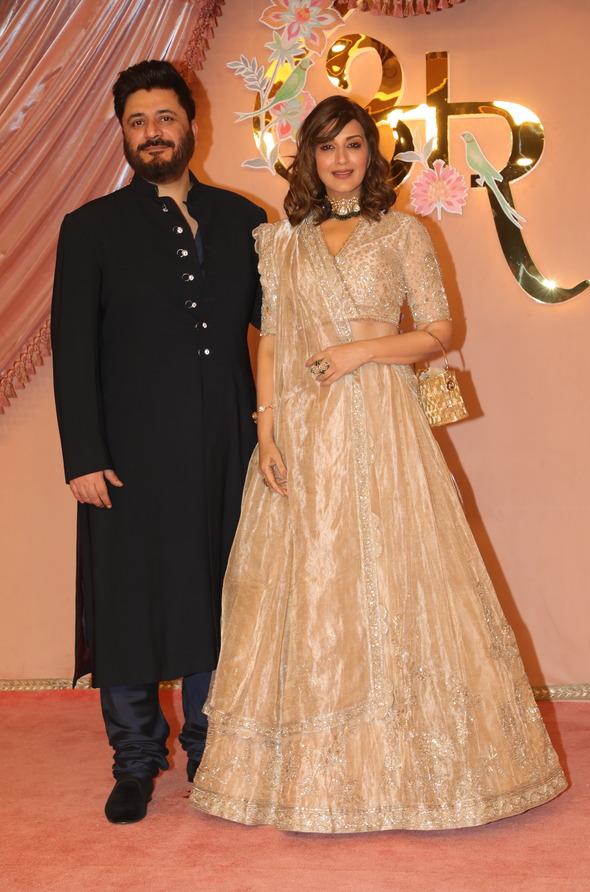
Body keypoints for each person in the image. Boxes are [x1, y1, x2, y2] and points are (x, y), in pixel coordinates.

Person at [189, 96, 567, 832]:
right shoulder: (281, 242)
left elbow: (438, 330)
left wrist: (361, 351)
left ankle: (414, 764)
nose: (340, 159)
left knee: (394, 575)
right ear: (308, 156)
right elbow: (271, 341)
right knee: (308, 581)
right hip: (301, 424)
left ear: (372, 154)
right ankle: (307, 771)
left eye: (354, 144)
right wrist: (266, 430)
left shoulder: (402, 232)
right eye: (327, 146)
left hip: (381, 422)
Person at [51, 60, 266, 824]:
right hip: (126, 459)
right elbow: (72, 349)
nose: (152, 133)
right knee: (127, 605)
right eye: (137, 122)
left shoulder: (244, 220)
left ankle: (212, 749)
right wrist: (83, 455)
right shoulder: (91, 229)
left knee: (218, 598)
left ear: (190, 124)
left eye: (164, 118)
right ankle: (136, 761)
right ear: (123, 133)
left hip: (226, 452)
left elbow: (281, 328)